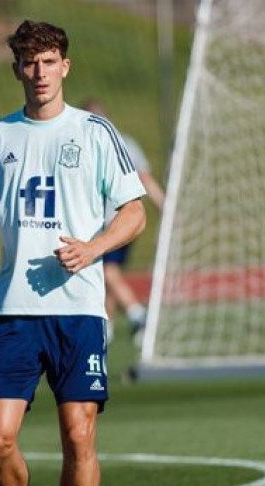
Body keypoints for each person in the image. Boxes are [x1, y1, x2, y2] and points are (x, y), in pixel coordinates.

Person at [0, 20, 146, 486]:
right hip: (14, 308)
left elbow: (135, 212)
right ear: (16, 69)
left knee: (78, 434)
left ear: (65, 66)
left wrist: (93, 248)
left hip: (78, 311)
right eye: (29, 63)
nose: (39, 73)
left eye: (48, 62)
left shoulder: (95, 132)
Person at [82, 99, 165, 345]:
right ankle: (106, 327)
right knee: (108, 274)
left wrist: (164, 205)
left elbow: (144, 178)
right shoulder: (81, 145)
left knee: (107, 271)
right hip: (107, 221)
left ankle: (136, 313)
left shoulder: (120, 144)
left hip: (116, 221)